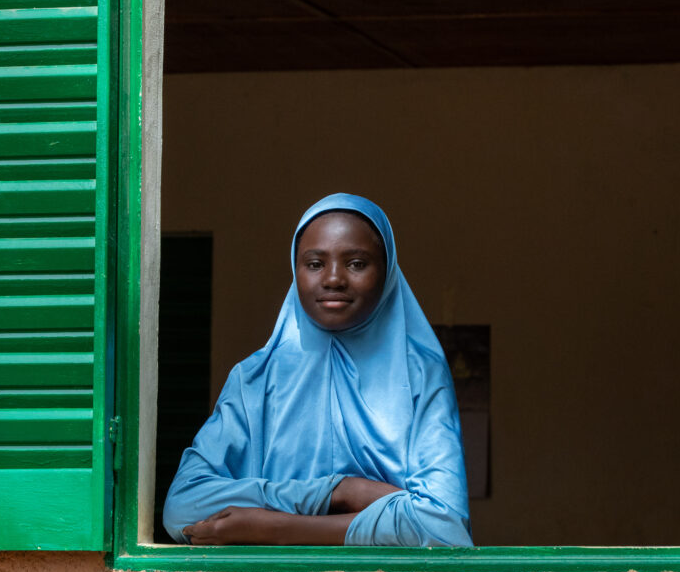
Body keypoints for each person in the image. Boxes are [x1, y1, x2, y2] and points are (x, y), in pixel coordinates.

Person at [163, 193, 473, 548]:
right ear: (295, 271)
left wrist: (271, 528)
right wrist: (341, 492)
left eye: (356, 263)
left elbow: (444, 525)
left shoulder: (421, 373)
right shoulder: (256, 378)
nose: (334, 279)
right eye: (314, 264)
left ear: (387, 273)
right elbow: (182, 507)